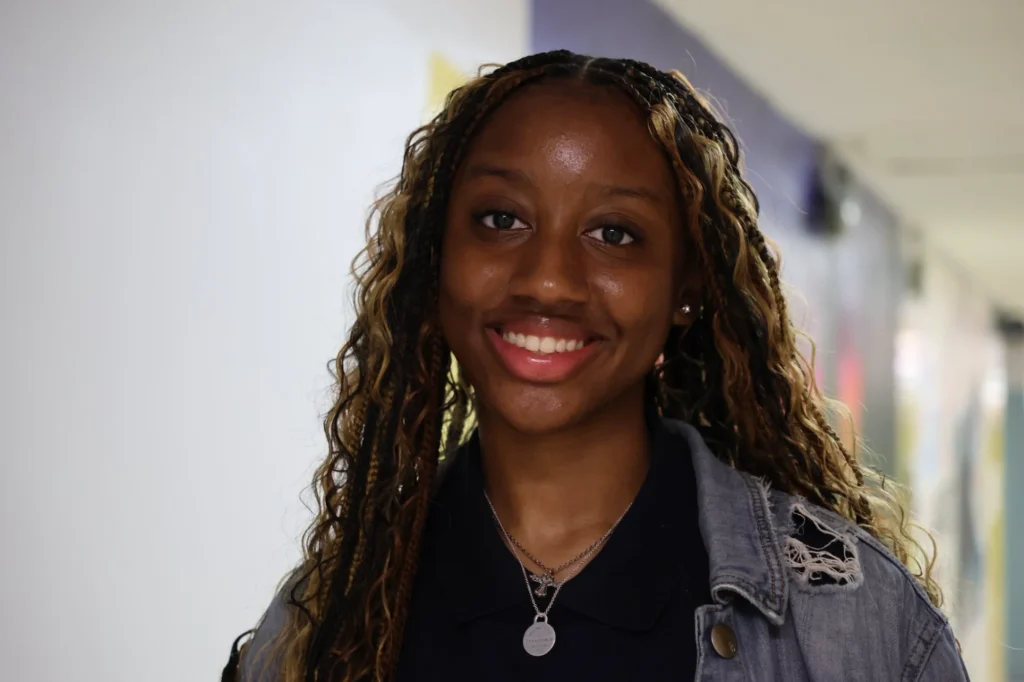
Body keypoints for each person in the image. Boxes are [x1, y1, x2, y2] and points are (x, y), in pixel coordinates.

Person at [224, 50, 969, 681]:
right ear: (435, 260)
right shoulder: (322, 624)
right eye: (500, 220)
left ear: (687, 289)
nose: (548, 280)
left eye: (614, 233)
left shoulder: (857, 624)